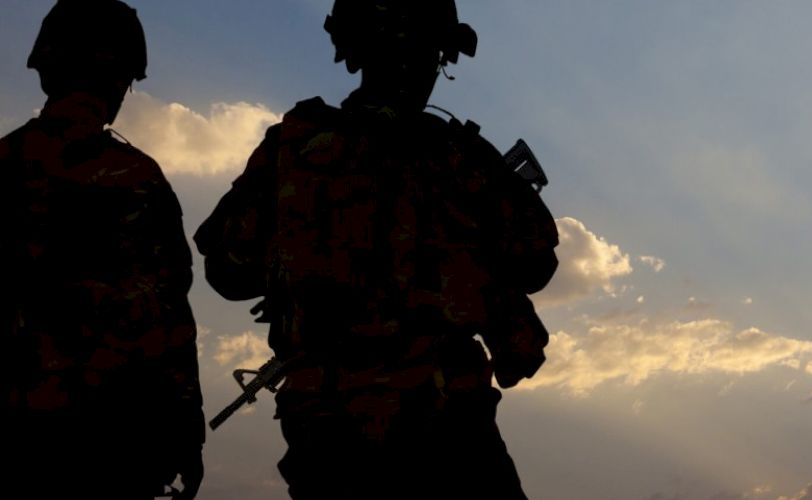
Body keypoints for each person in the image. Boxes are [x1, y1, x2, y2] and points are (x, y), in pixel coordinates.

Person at [194, 0, 557, 498]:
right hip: (448, 429)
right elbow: (537, 262)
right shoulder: (459, 157)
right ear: (435, 56)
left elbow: (226, 274)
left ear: (355, 51)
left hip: (330, 433)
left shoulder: (292, 148)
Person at [0, 1, 203, 498]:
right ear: (120, 80)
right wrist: (186, 433)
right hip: (110, 446)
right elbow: (168, 318)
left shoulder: (4, 165)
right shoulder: (139, 181)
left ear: (46, 69)